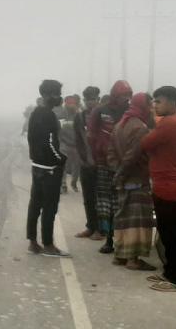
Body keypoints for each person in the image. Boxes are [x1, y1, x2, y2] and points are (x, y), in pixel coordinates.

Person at [141, 86, 176, 293]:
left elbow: (145, 143)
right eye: (154, 102)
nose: (154, 106)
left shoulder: (170, 124)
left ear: (172, 102)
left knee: (171, 235)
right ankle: (169, 271)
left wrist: (154, 124)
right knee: (171, 232)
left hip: (169, 187)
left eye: (159, 102)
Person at [106, 92, 157, 272]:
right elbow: (133, 156)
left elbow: (110, 152)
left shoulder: (120, 124)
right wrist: (122, 173)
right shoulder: (140, 128)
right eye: (149, 104)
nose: (152, 108)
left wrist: (117, 172)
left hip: (122, 179)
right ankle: (133, 259)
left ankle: (120, 255)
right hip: (136, 178)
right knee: (138, 220)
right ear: (143, 106)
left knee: (124, 217)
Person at [88, 80, 132, 253]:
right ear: (115, 95)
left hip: (124, 164)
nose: (125, 99)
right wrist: (96, 155)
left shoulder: (130, 112)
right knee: (106, 204)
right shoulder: (100, 111)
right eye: (122, 95)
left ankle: (123, 240)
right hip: (103, 164)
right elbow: (91, 135)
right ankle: (109, 239)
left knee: (122, 203)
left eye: (128, 96)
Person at [26, 80, 69, 257]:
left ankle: (33, 242)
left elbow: (32, 140)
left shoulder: (36, 112)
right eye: (57, 94)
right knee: (50, 206)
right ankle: (49, 245)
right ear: (48, 95)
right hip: (49, 168)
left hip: (36, 165)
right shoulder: (48, 115)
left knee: (35, 204)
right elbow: (49, 142)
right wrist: (60, 159)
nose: (60, 98)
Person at [73, 86, 102, 240]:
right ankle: (90, 227)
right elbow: (77, 139)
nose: (90, 102)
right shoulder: (80, 117)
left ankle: (100, 229)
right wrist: (83, 159)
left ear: (98, 99)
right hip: (86, 163)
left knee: (101, 198)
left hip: (102, 163)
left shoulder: (104, 115)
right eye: (87, 99)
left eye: (93, 99)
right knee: (88, 197)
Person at [55, 95, 81, 194]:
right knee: (63, 164)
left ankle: (74, 182)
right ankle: (63, 184)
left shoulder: (79, 116)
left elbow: (83, 130)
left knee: (77, 165)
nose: (71, 107)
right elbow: (56, 130)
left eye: (73, 104)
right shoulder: (60, 115)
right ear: (65, 104)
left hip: (76, 144)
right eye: (69, 104)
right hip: (64, 143)